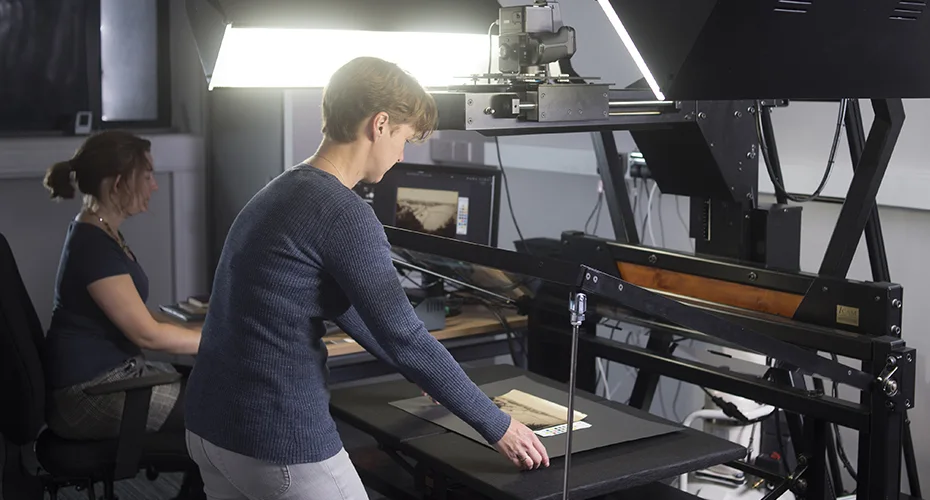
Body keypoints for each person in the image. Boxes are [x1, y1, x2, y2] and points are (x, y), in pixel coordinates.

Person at [183, 56, 550, 499]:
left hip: (211, 430)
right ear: (379, 124)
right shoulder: (345, 214)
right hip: (276, 441)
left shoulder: (281, 189)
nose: (400, 155)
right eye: (404, 139)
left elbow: (351, 309)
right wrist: (499, 426)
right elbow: (406, 336)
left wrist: (421, 375)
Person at [42, 130, 203, 498]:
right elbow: (145, 335)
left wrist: (201, 328)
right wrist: (217, 339)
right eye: (147, 175)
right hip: (88, 397)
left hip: (110, 380)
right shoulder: (92, 245)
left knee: (213, 393)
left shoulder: (101, 232)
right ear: (118, 184)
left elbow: (139, 315)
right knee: (222, 411)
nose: (155, 186)